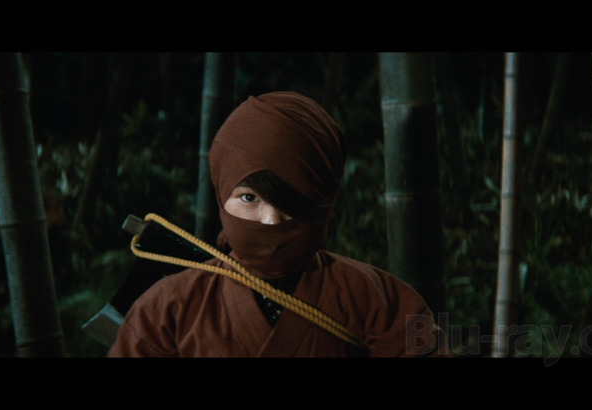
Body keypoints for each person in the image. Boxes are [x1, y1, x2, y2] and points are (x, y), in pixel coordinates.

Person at [108, 91, 449, 357]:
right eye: (249, 198)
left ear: (324, 203)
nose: (271, 221)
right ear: (222, 195)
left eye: (293, 202)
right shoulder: (166, 309)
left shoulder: (378, 300)